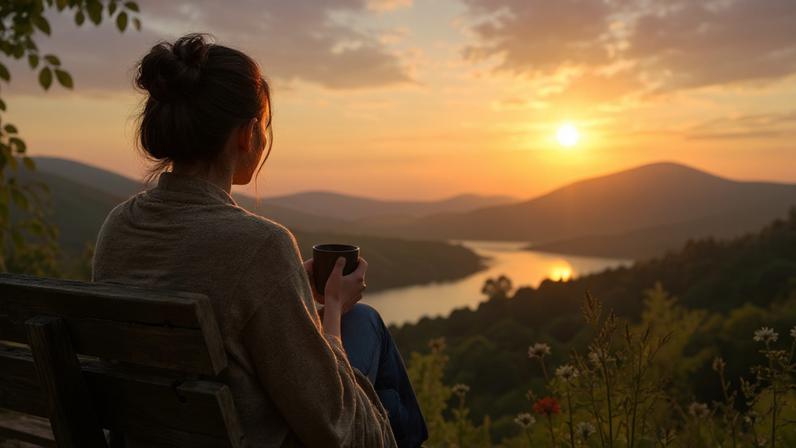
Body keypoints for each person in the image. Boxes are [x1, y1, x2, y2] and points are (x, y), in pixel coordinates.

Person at [92, 33, 428, 448]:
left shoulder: (118, 226)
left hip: (156, 430)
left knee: (366, 337)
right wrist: (334, 310)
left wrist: (289, 289)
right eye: (264, 127)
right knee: (372, 343)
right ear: (246, 135)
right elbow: (333, 424)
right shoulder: (260, 245)